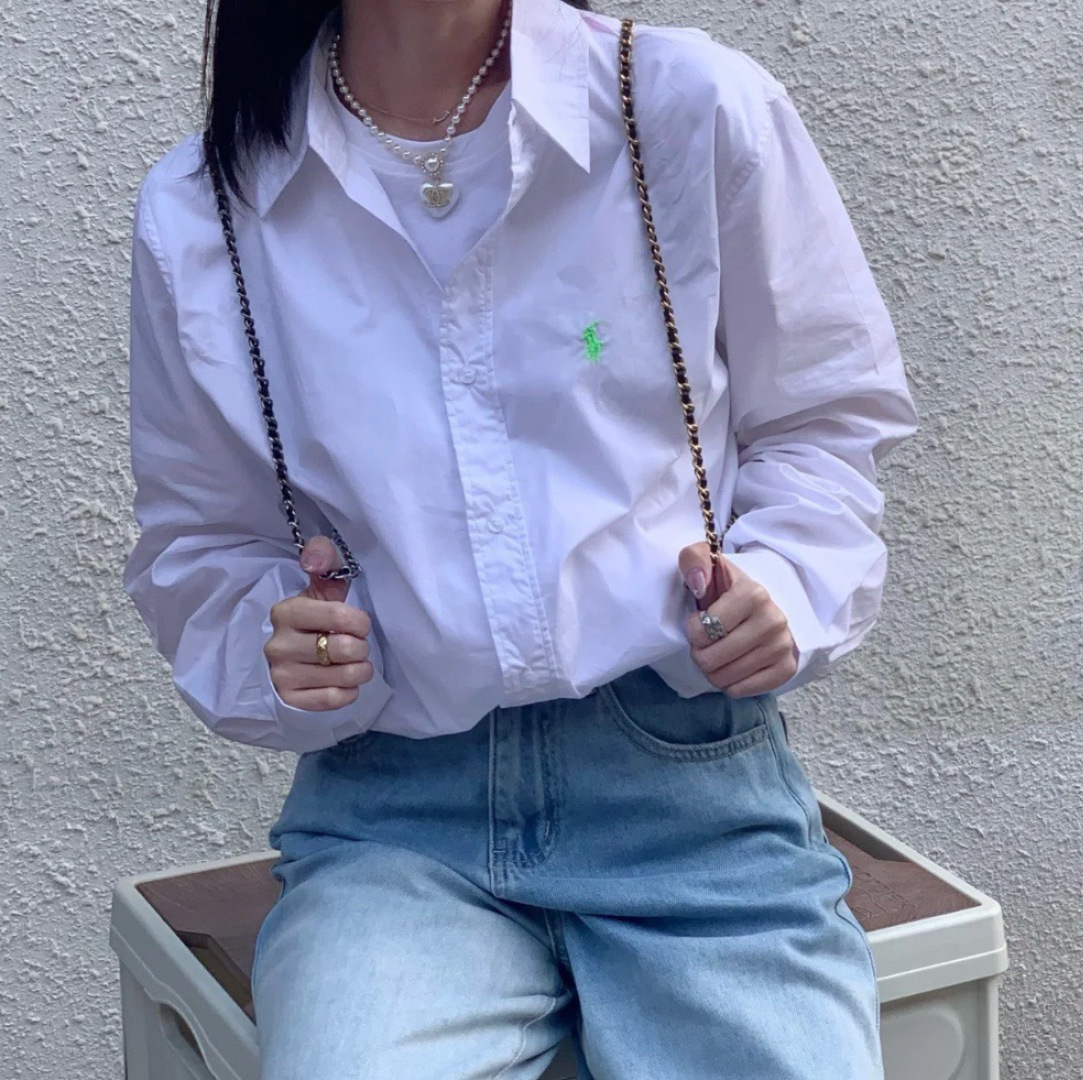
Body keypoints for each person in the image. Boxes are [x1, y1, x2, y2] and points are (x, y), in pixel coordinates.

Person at [123, 0, 918, 1074]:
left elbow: (820, 417)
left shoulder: (683, 109)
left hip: (694, 803)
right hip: (395, 824)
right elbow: (202, 536)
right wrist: (286, 645)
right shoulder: (208, 206)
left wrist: (785, 582)